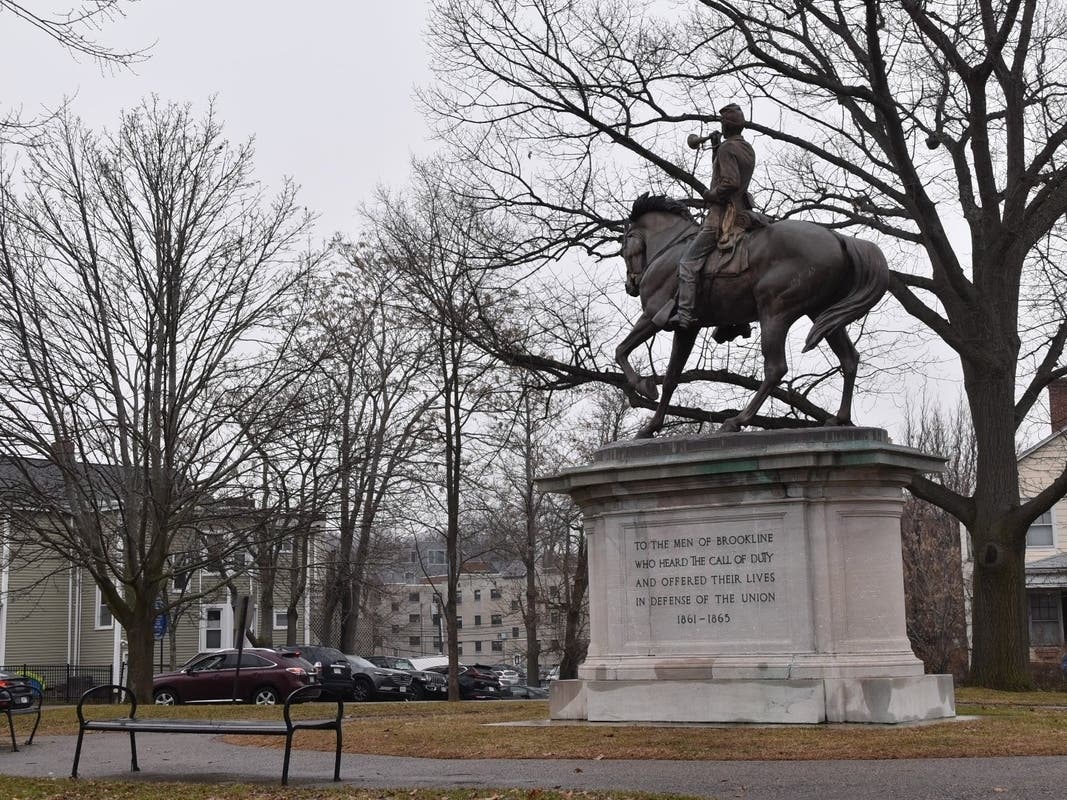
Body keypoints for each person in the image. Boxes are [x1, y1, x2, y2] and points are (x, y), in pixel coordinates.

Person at [668, 103, 756, 332]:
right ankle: (738, 320)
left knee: (688, 263)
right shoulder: (746, 148)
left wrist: (710, 194)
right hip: (743, 212)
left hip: (721, 216)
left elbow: (729, 183)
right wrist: (717, 149)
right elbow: (727, 174)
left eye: (722, 123)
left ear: (726, 125)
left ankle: (685, 314)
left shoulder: (728, 148)